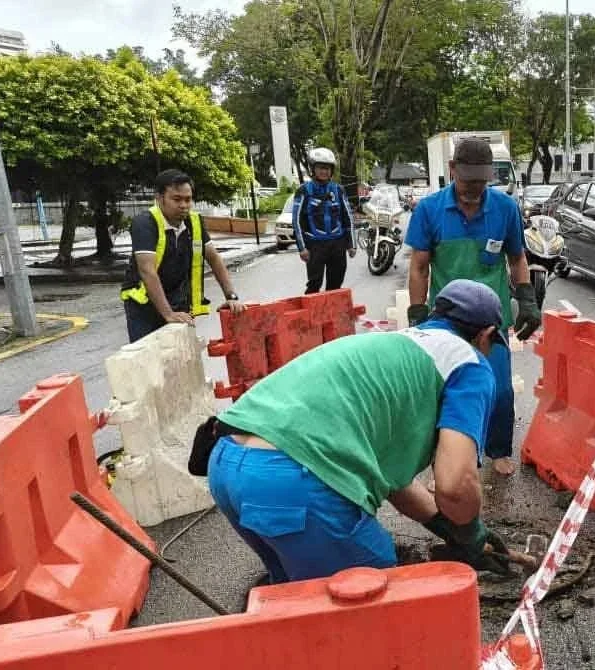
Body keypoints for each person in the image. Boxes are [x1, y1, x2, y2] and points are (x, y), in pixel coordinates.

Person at [207, 279, 512, 584]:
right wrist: (470, 531)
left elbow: (393, 481)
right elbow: (456, 485)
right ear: (484, 335)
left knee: (296, 599)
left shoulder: (396, 347)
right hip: (291, 480)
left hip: (227, 464)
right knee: (372, 597)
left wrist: (448, 528)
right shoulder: (468, 364)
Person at [405, 138, 541, 477]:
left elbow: (517, 257)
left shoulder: (505, 208)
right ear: (452, 171)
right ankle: (443, 460)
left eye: (482, 183)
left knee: (498, 386)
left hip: (490, 320)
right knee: (444, 390)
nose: (474, 190)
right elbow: (419, 266)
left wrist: (526, 299)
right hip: (446, 322)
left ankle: (498, 448)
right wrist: (417, 313)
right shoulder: (429, 210)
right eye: (468, 182)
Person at [121, 169, 246, 343]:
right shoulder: (144, 223)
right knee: (151, 360)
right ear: (159, 198)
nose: (184, 205)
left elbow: (214, 258)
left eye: (188, 199)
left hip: (178, 300)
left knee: (181, 357)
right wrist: (168, 314)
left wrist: (231, 297)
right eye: (176, 199)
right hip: (144, 307)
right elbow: (146, 270)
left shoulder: (194, 222)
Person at [291, 147, 357, 293]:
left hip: (337, 244)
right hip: (315, 246)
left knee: (335, 284)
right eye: (320, 167)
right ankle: (312, 315)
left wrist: (352, 244)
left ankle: (330, 314)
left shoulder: (338, 190)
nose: (324, 171)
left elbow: (348, 217)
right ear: (313, 169)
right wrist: (302, 248)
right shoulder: (303, 190)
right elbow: (296, 221)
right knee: (314, 284)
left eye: (327, 168)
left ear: (332, 170)